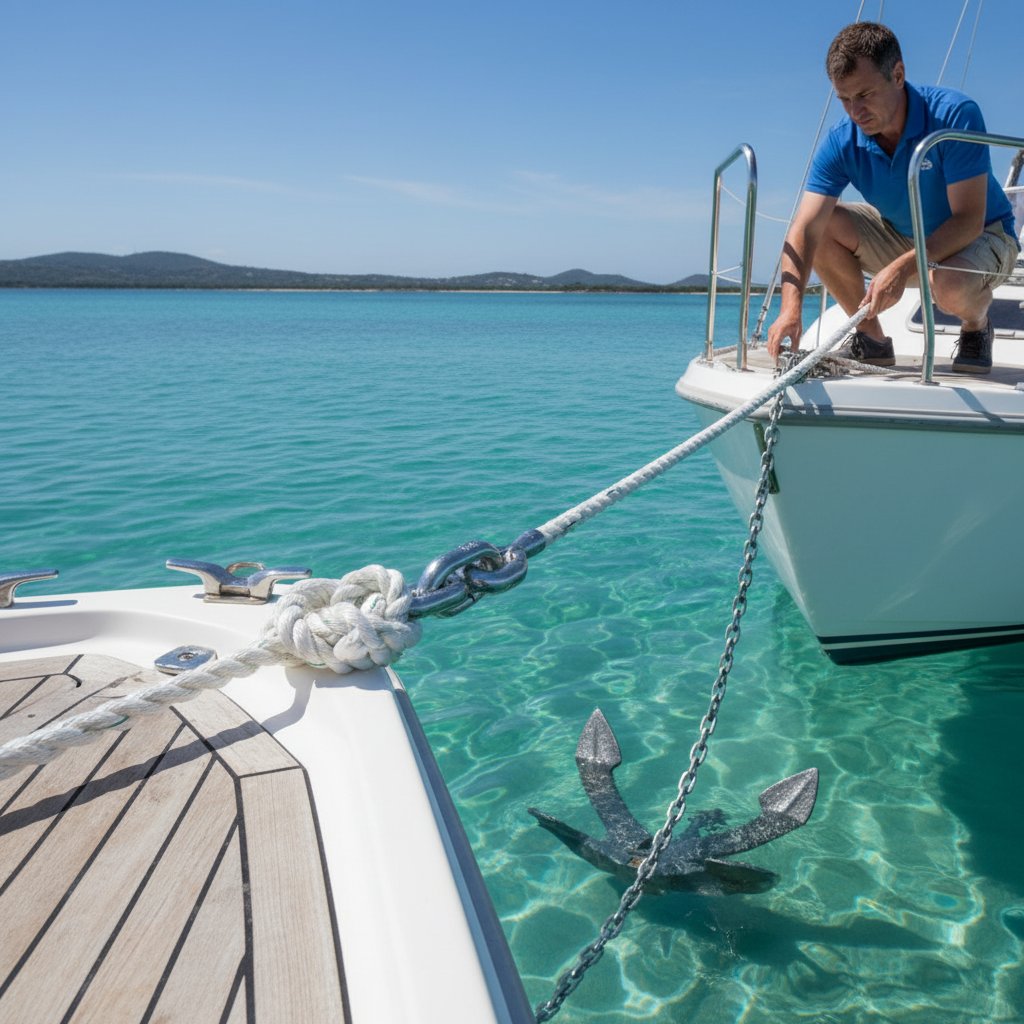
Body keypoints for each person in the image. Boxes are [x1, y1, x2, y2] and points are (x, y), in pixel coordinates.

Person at [766, 21, 1020, 374]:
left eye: (865, 95)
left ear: (898, 74)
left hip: (983, 235)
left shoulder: (953, 115)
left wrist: (901, 268)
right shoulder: (842, 140)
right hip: (904, 234)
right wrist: (790, 308)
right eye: (844, 99)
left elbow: (968, 221)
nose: (855, 112)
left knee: (947, 284)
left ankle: (976, 326)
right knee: (821, 229)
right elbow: (804, 228)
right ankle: (872, 341)